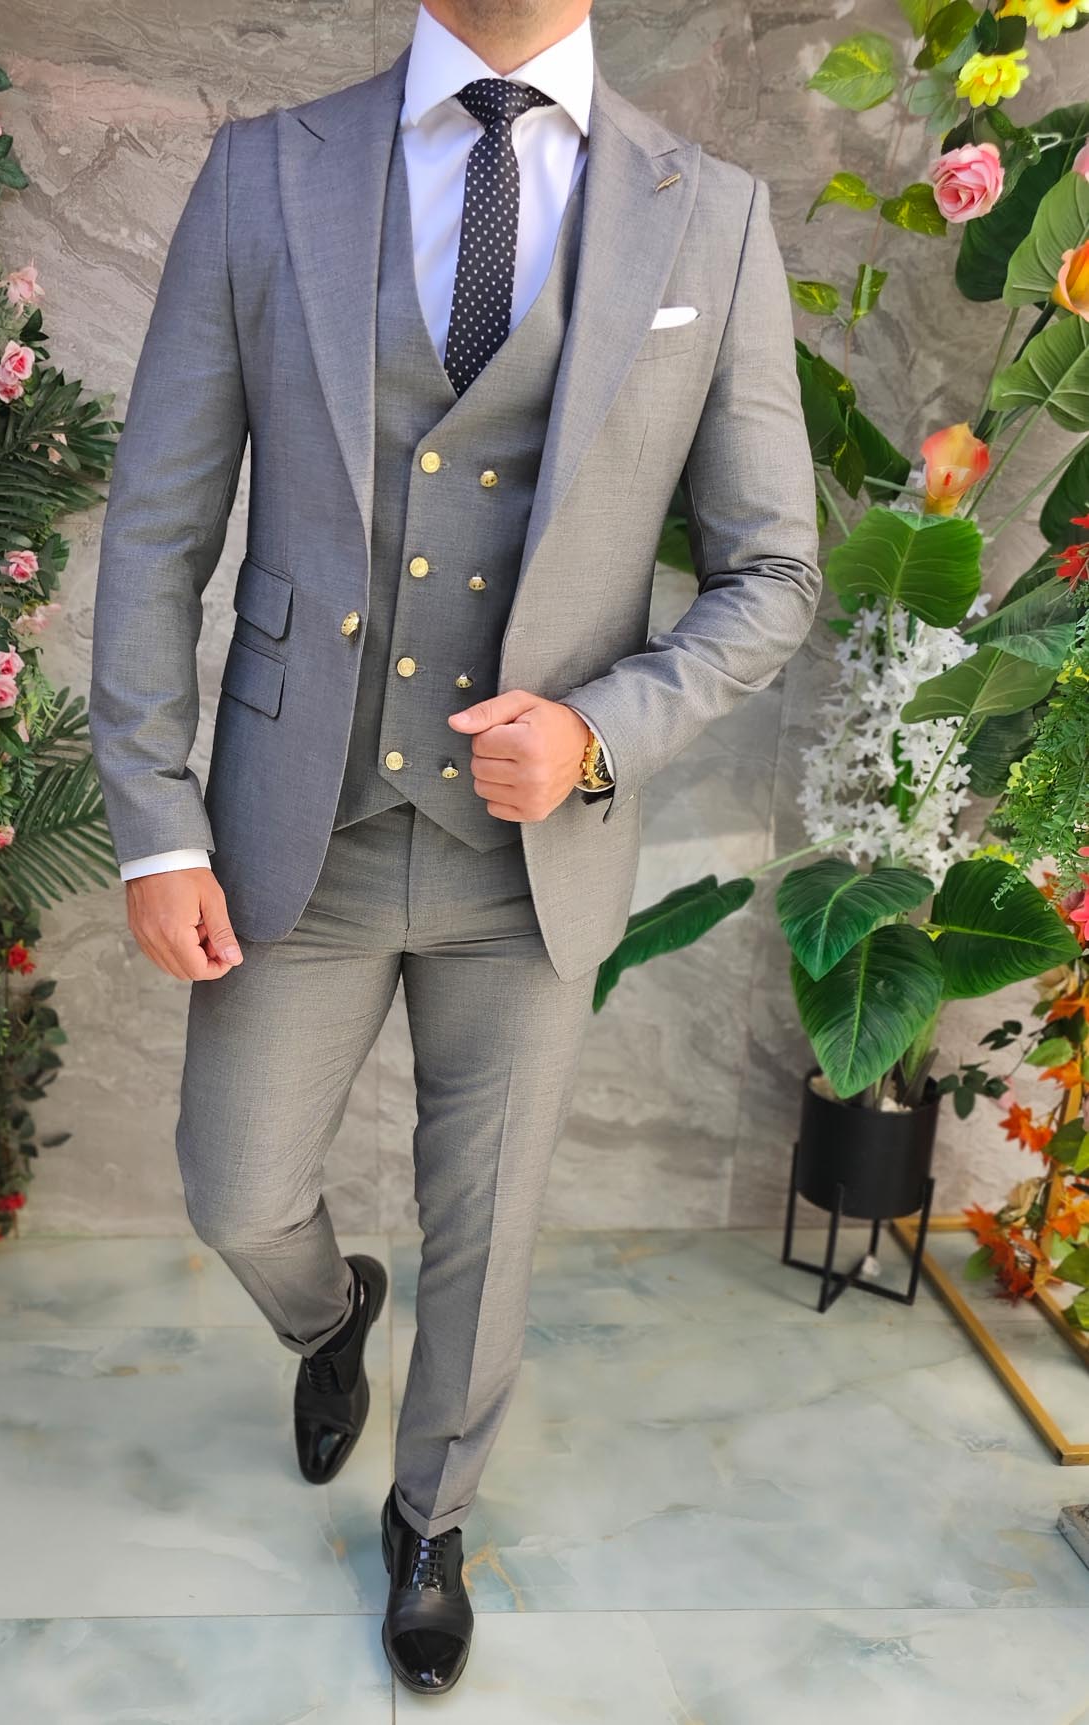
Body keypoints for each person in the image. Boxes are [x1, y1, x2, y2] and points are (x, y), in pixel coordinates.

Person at [89, 0, 820, 1694]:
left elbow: (774, 573)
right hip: (300, 821)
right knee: (235, 1184)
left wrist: (598, 730)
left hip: (529, 854)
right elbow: (156, 529)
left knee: (486, 1225)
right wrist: (153, 820)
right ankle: (327, 1311)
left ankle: (432, 1516)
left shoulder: (709, 213)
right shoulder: (265, 174)